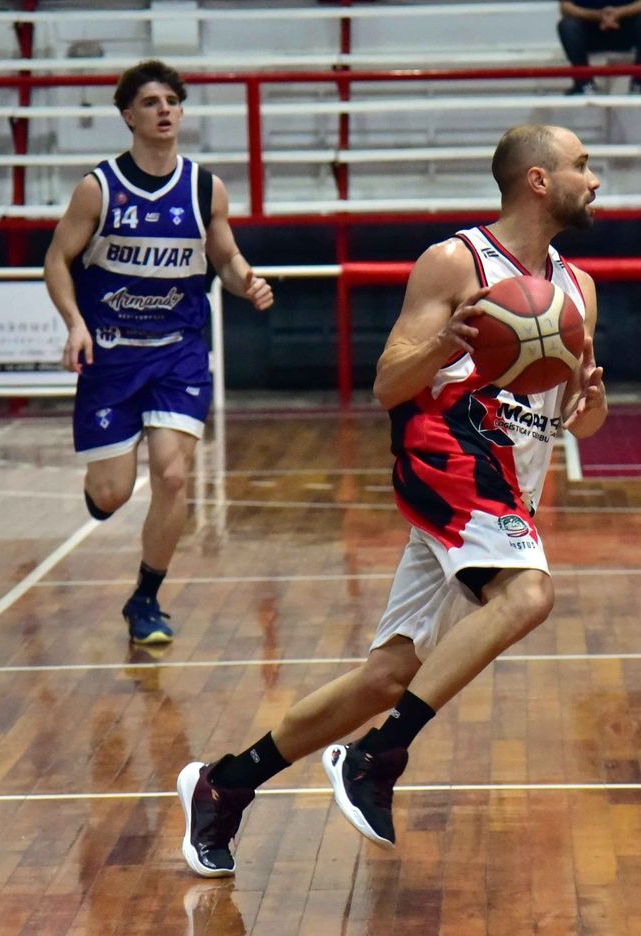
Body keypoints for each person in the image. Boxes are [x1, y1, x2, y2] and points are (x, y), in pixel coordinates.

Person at [176, 123, 608, 877]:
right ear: (538, 180)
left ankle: (224, 784)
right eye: (582, 165)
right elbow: (387, 384)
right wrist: (449, 345)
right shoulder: (454, 262)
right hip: (446, 457)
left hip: (507, 486)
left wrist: (592, 402)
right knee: (530, 594)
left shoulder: (579, 289)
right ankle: (377, 758)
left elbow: (583, 415)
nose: (594, 178)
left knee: (387, 675)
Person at [44, 59, 273, 644]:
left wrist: (245, 279)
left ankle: (146, 598)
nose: (165, 109)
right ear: (128, 116)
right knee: (113, 492)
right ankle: (103, 492)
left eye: (172, 100)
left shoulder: (204, 187)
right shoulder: (99, 188)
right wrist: (74, 324)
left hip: (178, 351)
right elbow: (56, 261)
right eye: (151, 102)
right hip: (112, 355)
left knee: (173, 475)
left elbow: (224, 257)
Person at [556, 0, 641, 95]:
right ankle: (584, 84)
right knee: (567, 25)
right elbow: (565, 7)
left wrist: (619, 13)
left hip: (625, 28)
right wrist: (597, 16)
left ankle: (639, 83)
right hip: (590, 30)